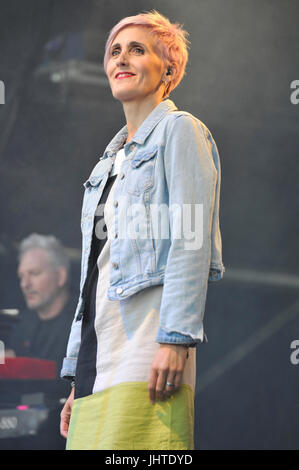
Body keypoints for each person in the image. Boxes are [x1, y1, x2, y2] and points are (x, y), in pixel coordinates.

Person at [60, 10, 225, 450]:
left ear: (168, 68)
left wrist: (175, 341)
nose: (121, 58)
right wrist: (78, 374)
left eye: (137, 49)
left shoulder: (179, 131)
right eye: (115, 51)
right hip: (100, 353)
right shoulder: (105, 165)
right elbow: (93, 276)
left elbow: (191, 243)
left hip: (147, 349)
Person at [6, 233, 74, 376]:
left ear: (61, 276)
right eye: (21, 276)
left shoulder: (83, 323)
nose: (25, 284)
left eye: (34, 273)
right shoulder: (21, 326)